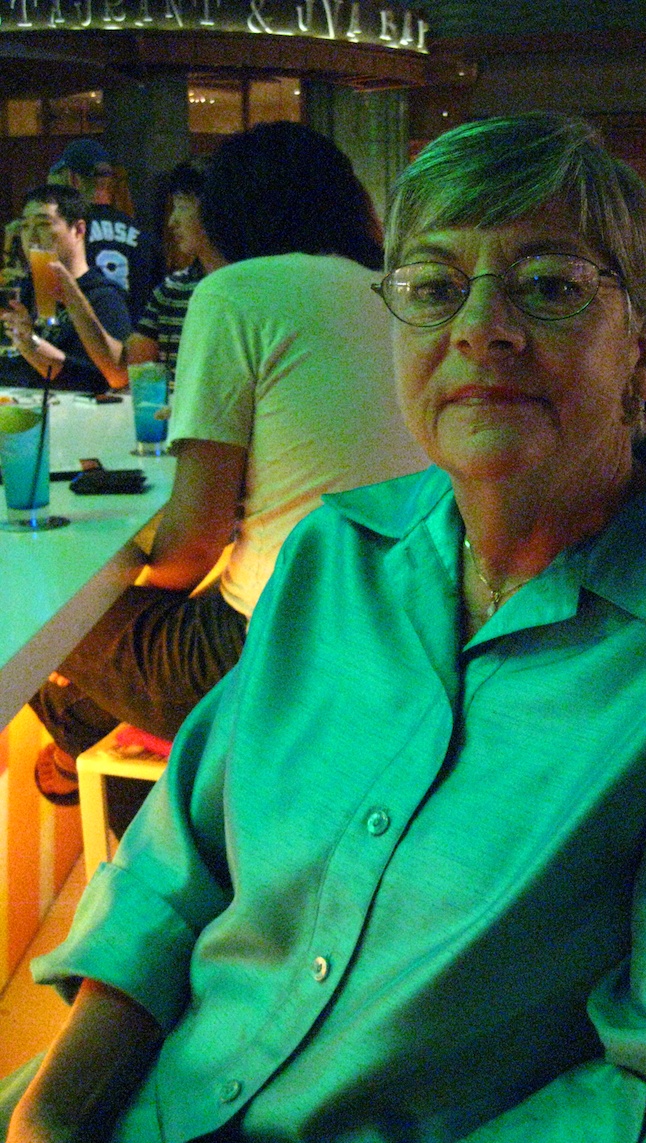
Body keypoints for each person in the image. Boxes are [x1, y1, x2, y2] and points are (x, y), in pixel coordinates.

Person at [1, 113, 646, 1143]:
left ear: (644, 351)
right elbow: (181, 867)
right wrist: (56, 1112)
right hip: (133, 1120)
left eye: (548, 286)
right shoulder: (335, 558)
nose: (482, 329)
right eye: (434, 286)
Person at [29, 122, 428, 804]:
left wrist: (121, 585)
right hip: (405, 636)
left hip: (272, 656)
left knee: (51, 607)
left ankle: (85, 756)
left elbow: (194, 543)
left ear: (227, 216)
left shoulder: (237, 292)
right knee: (122, 628)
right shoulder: (404, 295)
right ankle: (78, 750)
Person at [50, 157, 225, 390]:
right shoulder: (172, 289)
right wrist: (73, 297)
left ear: (216, 211)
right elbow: (121, 371)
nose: (172, 221)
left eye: (182, 207)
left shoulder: (252, 288)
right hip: (175, 414)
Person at [0, 184, 132, 394]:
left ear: (78, 230)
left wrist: (31, 343)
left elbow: (104, 381)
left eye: (43, 224)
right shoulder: (22, 291)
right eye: (25, 227)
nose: (31, 237)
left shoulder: (103, 296)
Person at [48, 137, 164, 322]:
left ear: (73, 179)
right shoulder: (142, 234)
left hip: (86, 334)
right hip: (135, 334)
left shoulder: (71, 233)